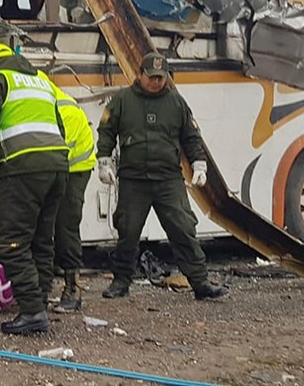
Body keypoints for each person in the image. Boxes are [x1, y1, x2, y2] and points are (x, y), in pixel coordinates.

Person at [96, 52, 228, 301]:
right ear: (140, 75)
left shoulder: (177, 103)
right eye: (152, 77)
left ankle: (200, 282)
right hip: (134, 179)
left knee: (183, 228)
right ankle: (121, 281)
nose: (156, 82)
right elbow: (106, 131)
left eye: (161, 77)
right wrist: (103, 161)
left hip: (168, 179)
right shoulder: (122, 100)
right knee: (128, 231)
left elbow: (191, 136)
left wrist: (199, 163)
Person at [0, 44, 69, 335]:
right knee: (41, 238)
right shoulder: (41, 81)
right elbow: (58, 125)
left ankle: (32, 310)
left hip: (23, 167)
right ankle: (40, 300)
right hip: (57, 167)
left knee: (10, 242)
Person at [52, 88, 97, 312]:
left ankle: (73, 288)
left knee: (65, 224)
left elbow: (59, 152)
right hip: (56, 166)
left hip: (75, 168)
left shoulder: (63, 110)